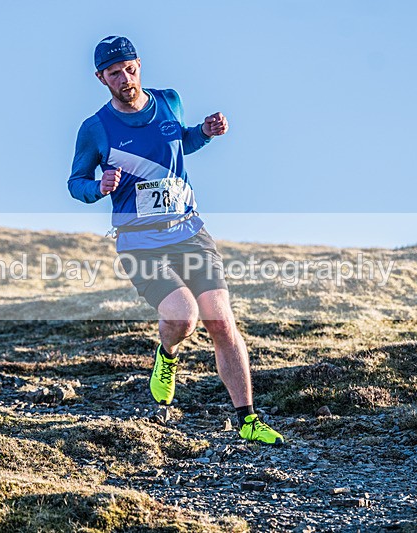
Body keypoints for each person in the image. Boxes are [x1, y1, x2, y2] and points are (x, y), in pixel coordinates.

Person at [68, 36, 283, 445]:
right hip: (139, 241)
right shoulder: (95, 129)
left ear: (139, 65)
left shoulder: (169, 101)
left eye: (130, 68)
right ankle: (166, 355)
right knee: (183, 317)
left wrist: (203, 131)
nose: (125, 78)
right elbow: (75, 182)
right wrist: (98, 186)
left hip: (189, 232)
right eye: (115, 73)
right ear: (101, 78)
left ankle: (249, 420)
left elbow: (179, 141)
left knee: (220, 320)